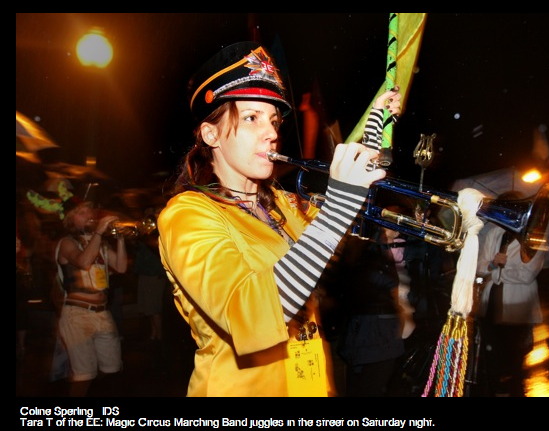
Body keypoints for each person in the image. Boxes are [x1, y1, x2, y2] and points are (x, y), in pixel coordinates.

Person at [157, 41, 401, 396]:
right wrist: (338, 206)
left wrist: (375, 123)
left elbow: (340, 225)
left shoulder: (284, 204)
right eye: (252, 118)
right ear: (211, 134)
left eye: (273, 120)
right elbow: (250, 312)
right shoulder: (187, 214)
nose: (272, 131)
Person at [335, 206, 419, 396]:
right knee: (368, 385)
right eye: (394, 224)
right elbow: (375, 284)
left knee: (367, 383)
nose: (398, 229)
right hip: (375, 329)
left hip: (376, 329)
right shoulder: (371, 250)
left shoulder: (384, 249)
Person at [475, 190, 546, 397]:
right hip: (490, 304)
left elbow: (527, 274)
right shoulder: (493, 233)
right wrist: (491, 264)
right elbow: (480, 266)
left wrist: (500, 270)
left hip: (517, 306)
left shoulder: (534, 237)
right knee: (492, 357)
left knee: (514, 360)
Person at [55, 199, 127, 397]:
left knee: (112, 369)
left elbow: (121, 267)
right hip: (77, 314)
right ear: (70, 219)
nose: (89, 216)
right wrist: (99, 232)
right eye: (81, 213)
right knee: (84, 375)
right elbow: (84, 262)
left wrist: (120, 239)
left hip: (103, 313)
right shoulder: (67, 243)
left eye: (89, 212)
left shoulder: (100, 243)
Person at [134, 208, 167, 344]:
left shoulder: (156, 234)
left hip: (155, 274)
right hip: (145, 273)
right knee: (148, 307)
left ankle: (158, 335)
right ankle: (154, 332)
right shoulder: (145, 234)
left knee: (154, 307)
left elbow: (157, 250)